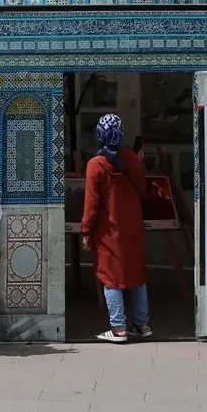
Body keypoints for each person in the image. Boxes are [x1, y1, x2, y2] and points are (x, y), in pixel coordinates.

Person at [81, 113, 152, 343]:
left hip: (108, 229)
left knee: (111, 276)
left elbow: (91, 203)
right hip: (132, 225)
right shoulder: (131, 159)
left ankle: (119, 328)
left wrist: (86, 231)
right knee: (136, 273)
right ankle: (142, 324)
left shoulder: (95, 165)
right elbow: (142, 190)